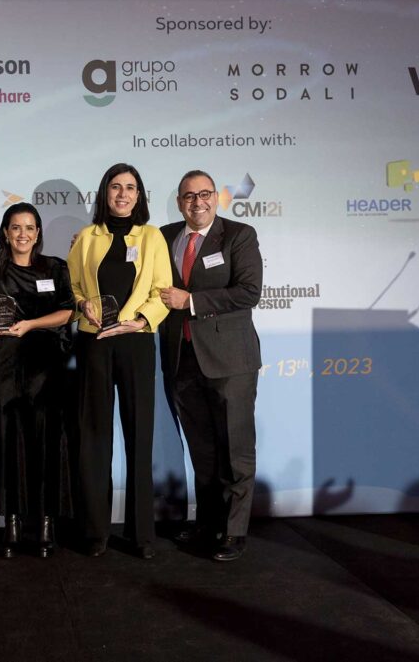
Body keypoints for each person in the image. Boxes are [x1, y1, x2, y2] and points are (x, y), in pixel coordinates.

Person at [67, 163, 172, 559]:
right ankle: (95, 531)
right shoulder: (87, 238)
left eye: (130, 187)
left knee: (139, 436)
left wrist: (140, 320)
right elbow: (73, 286)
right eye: (115, 187)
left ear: (139, 195)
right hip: (94, 341)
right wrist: (82, 304)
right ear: (105, 193)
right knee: (93, 437)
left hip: (136, 342)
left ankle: (142, 534)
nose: (122, 194)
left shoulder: (152, 237)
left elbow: (163, 290)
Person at [158, 169, 262, 562]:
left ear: (216, 197)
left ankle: (234, 531)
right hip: (182, 359)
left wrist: (191, 302)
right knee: (202, 450)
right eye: (189, 196)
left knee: (235, 449)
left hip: (230, 360)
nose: (197, 202)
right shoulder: (165, 236)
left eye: (204, 194)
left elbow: (248, 292)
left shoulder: (238, 235)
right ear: (179, 201)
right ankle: (208, 522)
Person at [0, 203, 74, 558]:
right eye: (16, 227)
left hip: (45, 364)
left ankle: (46, 524)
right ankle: (12, 524)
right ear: (6, 233)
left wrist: (32, 325)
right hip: (5, 363)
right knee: (9, 441)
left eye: (30, 227)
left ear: (38, 233)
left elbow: (68, 311)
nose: (23, 234)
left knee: (47, 441)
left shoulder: (55, 267)